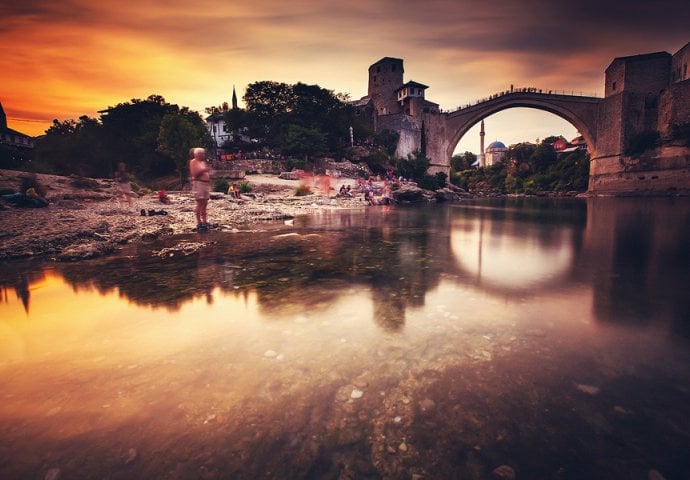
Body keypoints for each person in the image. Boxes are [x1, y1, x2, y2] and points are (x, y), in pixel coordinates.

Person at [189, 147, 212, 230]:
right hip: (199, 184)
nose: (203, 155)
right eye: (201, 154)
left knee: (205, 203)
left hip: (205, 184)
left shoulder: (202, 162)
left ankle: (205, 221)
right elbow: (194, 173)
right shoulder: (193, 162)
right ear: (197, 154)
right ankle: (199, 222)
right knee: (200, 203)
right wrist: (204, 170)